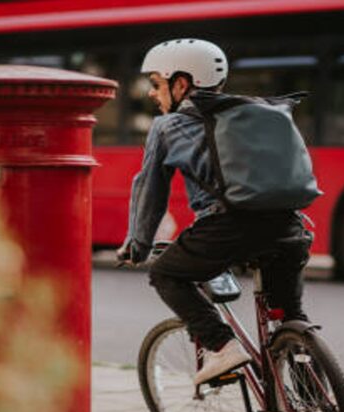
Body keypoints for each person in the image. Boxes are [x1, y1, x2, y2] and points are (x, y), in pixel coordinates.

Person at [117, 39, 313, 385]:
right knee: (289, 319)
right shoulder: (260, 112)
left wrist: (138, 244)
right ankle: (318, 410)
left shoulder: (167, 126)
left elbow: (150, 188)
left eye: (156, 84)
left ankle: (221, 346)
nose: (151, 93)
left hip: (229, 228)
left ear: (181, 84)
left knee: (166, 274)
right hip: (290, 224)